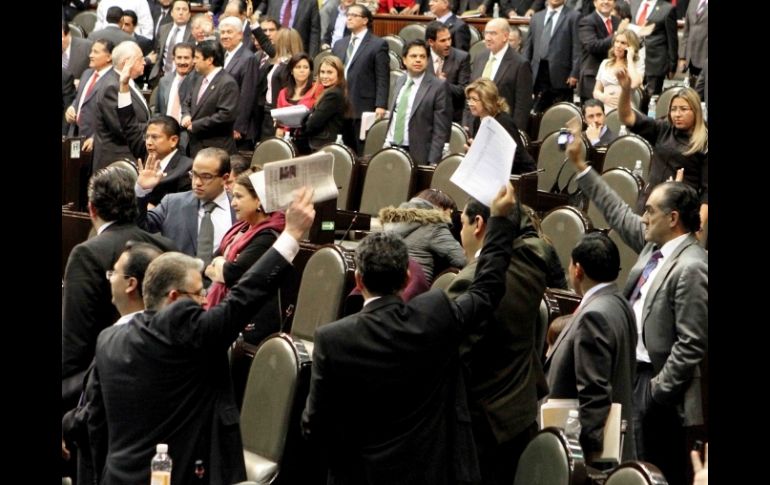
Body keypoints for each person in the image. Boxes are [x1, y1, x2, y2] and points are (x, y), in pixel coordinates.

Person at [86, 187, 317, 485]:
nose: (205, 300)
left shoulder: (108, 339)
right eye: (197, 293)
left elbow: (95, 423)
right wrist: (292, 235)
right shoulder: (189, 332)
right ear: (173, 297)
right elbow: (245, 296)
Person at [301, 183, 520, 485]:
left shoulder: (332, 339)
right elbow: (487, 291)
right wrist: (499, 222)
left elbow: (315, 426)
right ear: (407, 277)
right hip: (428, 470)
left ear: (359, 280)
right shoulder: (435, 314)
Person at [564, 118, 707, 485]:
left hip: (657, 389)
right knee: (627, 466)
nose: (643, 217)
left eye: (652, 212)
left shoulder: (691, 266)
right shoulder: (652, 245)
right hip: (632, 373)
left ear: (673, 219)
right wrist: (582, 167)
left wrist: (656, 392)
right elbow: (616, 210)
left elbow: (692, 343)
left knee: (648, 470)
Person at [445, 196, 555, 484]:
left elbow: (450, 355)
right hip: (519, 414)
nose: (460, 233)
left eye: (462, 224)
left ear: (479, 224)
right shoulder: (532, 265)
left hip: (480, 426)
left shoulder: (468, 282)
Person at [62, 166, 176, 416]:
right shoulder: (165, 246)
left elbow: (75, 339)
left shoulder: (87, 254)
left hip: (100, 389)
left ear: (92, 208)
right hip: (160, 380)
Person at [62, 240, 164, 485]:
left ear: (131, 284)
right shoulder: (146, 333)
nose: (109, 279)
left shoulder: (127, 342)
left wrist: (66, 425)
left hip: (106, 464)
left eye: (113, 272)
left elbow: (97, 409)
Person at [544, 232, 637, 463]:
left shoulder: (594, 315)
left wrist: (582, 457)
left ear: (578, 270)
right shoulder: (620, 304)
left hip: (591, 456)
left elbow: (594, 395)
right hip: (617, 443)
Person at [615, 67, 708, 232]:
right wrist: (625, 90)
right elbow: (626, 117)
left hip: (678, 212)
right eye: (674, 109)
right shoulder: (663, 128)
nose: (677, 114)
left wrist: (698, 225)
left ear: (696, 111)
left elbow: (707, 193)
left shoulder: (704, 141)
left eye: (683, 109)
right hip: (650, 202)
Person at [205, 167, 286, 346]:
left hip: (252, 322)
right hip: (228, 310)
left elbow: (232, 274)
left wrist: (222, 266)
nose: (233, 203)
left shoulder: (268, 236)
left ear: (258, 200)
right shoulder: (241, 228)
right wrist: (222, 266)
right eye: (233, 196)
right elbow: (209, 264)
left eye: (239, 197)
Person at [136, 147, 236, 260]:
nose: (197, 182)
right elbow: (140, 226)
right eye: (194, 174)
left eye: (206, 177)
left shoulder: (240, 209)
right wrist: (142, 191)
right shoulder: (172, 203)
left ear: (225, 178)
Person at [331, 4, 390, 153]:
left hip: (362, 105)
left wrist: (381, 105)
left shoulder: (378, 44)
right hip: (338, 106)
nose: (349, 17)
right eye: (348, 14)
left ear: (365, 20)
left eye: (354, 15)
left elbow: (382, 77)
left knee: (360, 150)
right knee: (342, 151)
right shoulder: (339, 44)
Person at [384, 39, 451, 166]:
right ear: (404, 60)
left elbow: (441, 129)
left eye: (422, 56)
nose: (418, 60)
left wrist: (433, 160)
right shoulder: (400, 81)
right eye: (413, 56)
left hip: (419, 153)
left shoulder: (438, 86)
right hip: (393, 147)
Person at [379, 189, 466, 285]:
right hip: (416, 292)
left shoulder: (392, 222)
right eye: (451, 211)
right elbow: (462, 259)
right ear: (441, 208)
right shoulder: (435, 224)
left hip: (387, 288)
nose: (451, 217)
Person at [465, 18, 533, 132]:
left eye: (493, 33)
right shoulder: (479, 57)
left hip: (503, 129)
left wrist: (515, 133)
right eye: (486, 33)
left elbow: (522, 107)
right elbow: (471, 93)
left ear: (505, 36)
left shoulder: (520, 64)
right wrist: (467, 123)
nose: (487, 38)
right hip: (476, 126)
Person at [181, 40, 240, 157]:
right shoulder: (199, 79)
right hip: (196, 146)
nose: (193, 61)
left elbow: (225, 115)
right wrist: (186, 115)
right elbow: (187, 102)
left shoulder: (227, 83)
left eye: (197, 57)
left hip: (216, 148)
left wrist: (196, 125)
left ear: (209, 60)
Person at [465, 78, 536, 174]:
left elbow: (515, 158)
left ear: (487, 100)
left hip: (520, 175)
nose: (470, 103)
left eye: (474, 99)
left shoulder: (504, 122)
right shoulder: (478, 120)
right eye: (469, 99)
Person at [523, 0, 581, 113]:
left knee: (560, 113)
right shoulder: (536, 17)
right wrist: (524, 70)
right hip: (538, 73)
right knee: (538, 111)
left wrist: (574, 73)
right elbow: (528, 47)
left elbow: (577, 47)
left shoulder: (574, 17)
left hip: (562, 75)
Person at [275, 53, 325, 151]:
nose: (302, 70)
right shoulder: (283, 93)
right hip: (287, 140)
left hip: (309, 141)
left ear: (310, 71)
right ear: (291, 71)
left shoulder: (318, 89)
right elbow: (279, 123)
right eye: (298, 67)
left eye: (306, 67)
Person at [577, 0, 623, 103]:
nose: (606, 1)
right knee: (594, 117)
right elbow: (593, 46)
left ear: (614, 3)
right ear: (594, 3)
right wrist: (617, 34)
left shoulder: (618, 21)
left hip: (616, 80)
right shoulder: (586, 21)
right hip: (592, 79)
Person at [302, 55, 351, 151]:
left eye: (329, 72)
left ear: (339, 74)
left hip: (324, 146)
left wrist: (302, 124)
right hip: (322, 145)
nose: (324, 76)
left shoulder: (333, 94)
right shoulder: (332, 91)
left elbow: (314, 123)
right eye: (322, 72)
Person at [425, 21, 471, 123]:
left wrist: (443, 84)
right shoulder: (422, 55)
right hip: (425, 115)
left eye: (449, 39)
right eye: (443, 41)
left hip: (451, 117)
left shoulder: (462, 58)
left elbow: (464, 91)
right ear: (431, 42)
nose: (448, 44)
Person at [593, 29, 643, 110]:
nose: (618, 45)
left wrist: (629, 58)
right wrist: (603, 97)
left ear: (631, 46)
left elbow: (635, 84)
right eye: (616, 41)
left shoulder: (636, 64)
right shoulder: (605, 63)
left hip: (626, 110)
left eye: (623, 43)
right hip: (605, 108)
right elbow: (596, 91)